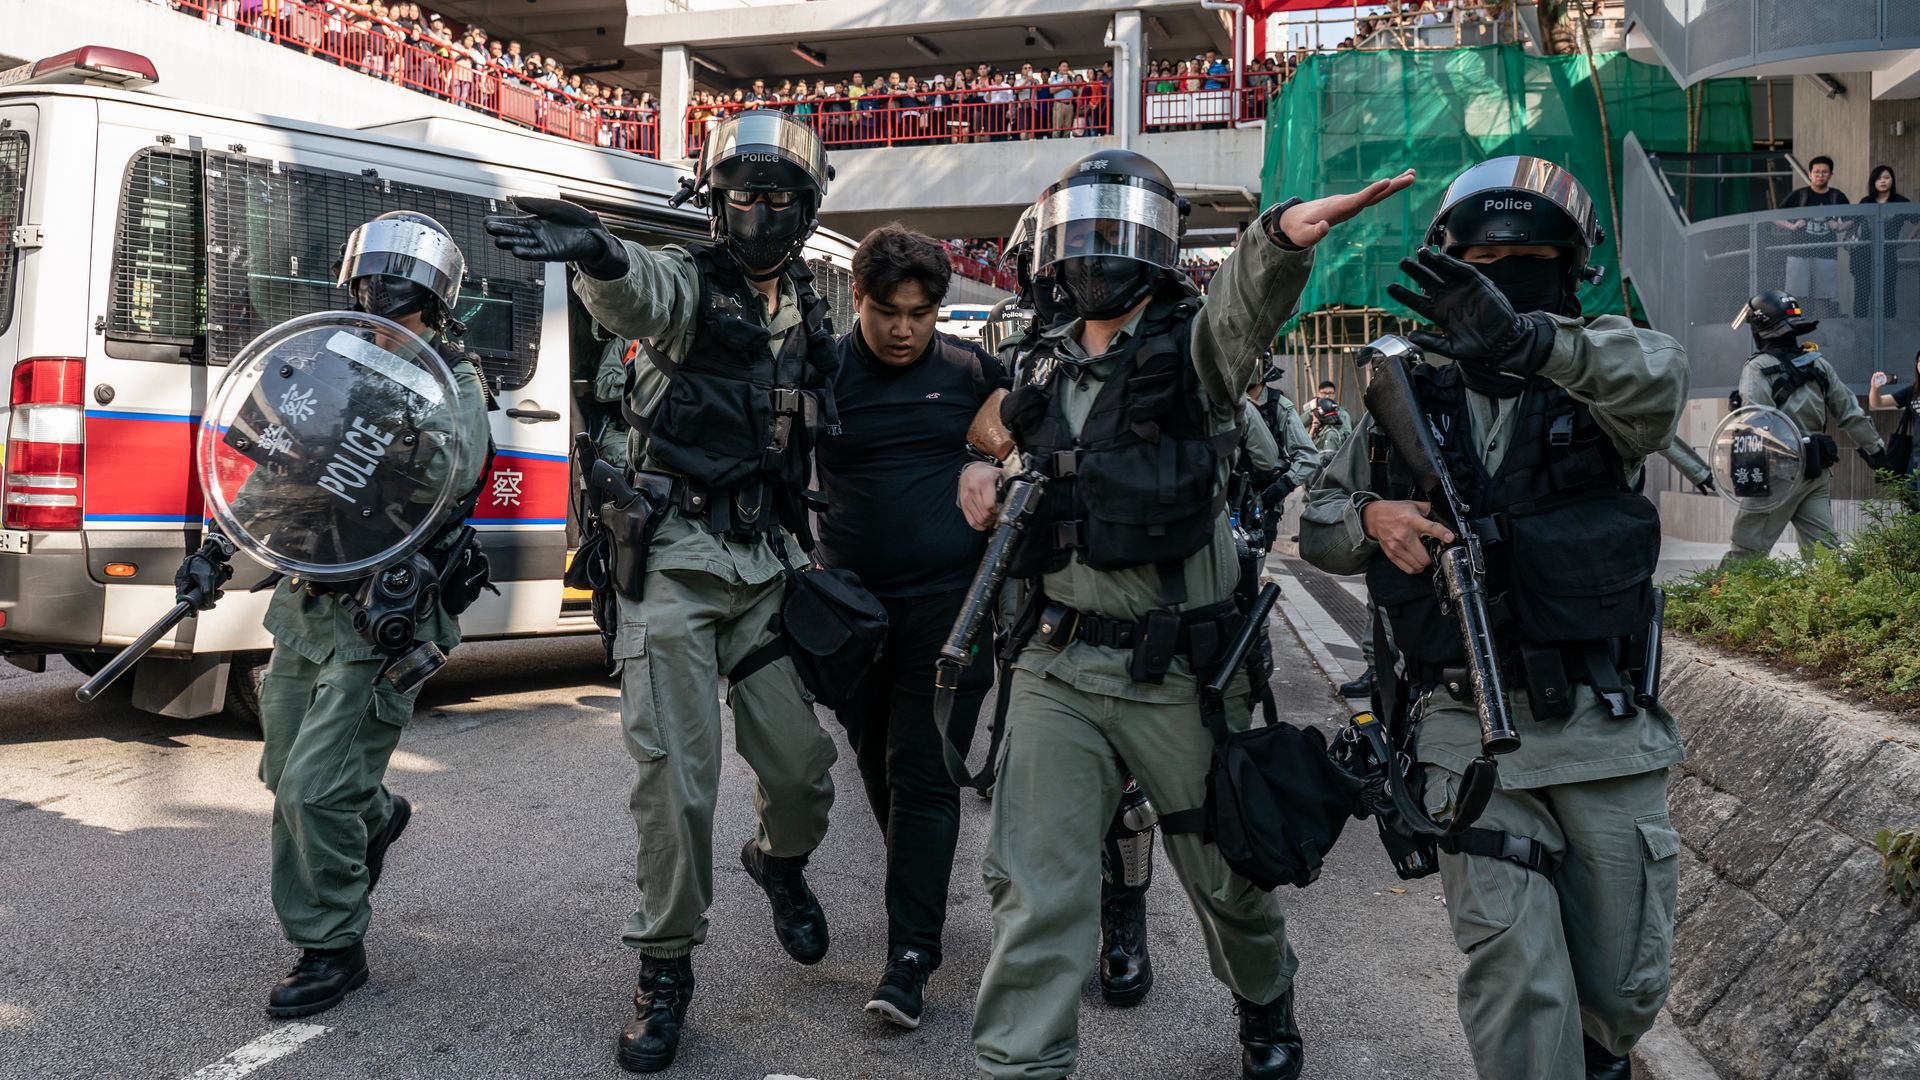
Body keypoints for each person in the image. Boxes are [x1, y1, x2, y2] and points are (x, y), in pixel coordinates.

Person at [970, 147, 1413, 1080]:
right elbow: (997, 443)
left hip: (1179, 675)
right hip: (1057, 664)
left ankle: (1265, 1000)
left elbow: (1245, 307)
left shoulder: (1194, 352)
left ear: (1160, 251)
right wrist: (980, 470)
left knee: (1227, 884)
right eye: (1080, 233)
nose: (1095, 254)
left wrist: (1281, 237)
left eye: (1115, 234)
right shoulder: (1041, 365)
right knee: (1034, 894)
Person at [1301, 156, 1689, 1080]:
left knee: (1626, 985)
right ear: (1450, 267)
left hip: (1602, 730)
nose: (1503, 271)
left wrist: (1530, 343)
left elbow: (1663, 379)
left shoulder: (1606, 368)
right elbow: (1316, 517)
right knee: (1517, 979)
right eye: (1483, 258)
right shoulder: (1406, 392)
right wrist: (1369, 517)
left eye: (1529, 255)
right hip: (1464, 730)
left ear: (1571, 268)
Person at [484, 112, 841, 1074]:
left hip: (763, 567)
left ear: (804, 210)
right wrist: (600, 250)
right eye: (739, 194)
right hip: (675, 560)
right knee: (678, 784)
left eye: (775, 197)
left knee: (804, 771)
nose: (755, 213)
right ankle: (666, 966)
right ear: (714, 202)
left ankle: (780, 862)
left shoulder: (812, 306)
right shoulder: (691, 283)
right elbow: (637, 292)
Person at [172, 211, 492, 1019]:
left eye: (394, 275)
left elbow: (452, 474)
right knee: (286, 776)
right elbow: (274, 467)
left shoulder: (451, 381)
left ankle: (332, 946)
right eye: (368, 272)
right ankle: (377, 815)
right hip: (307, 601)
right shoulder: (328, 358)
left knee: (315, 790)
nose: (377, 288)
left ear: (430, 292)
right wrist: (217, 548)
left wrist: (375, 431)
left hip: (379, 615)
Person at [809, 224, 1008, 1030]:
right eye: (888, 311)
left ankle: (910, 959)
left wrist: (994, 457)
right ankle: (915, 901)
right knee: (880, 768)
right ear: (857, 299)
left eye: (921, 313)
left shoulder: (970, 371)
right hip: (851, 615)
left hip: (950, 609)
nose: (903, 329)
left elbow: (1033, 418)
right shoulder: (819, 370)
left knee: (924, 773)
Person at [1723, 290, 1888, 562]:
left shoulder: (1757, 368)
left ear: (1760, 330)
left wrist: (1741, 411)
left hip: (1776, 477)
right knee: (1826, 558)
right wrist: (1879, 454)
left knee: (1746, 554)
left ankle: (1720, 604)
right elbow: (1850, 414)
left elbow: (1759, 425)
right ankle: (1833, 603)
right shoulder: (1818, 363)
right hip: (1815, 473)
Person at [1778, 155, 1851, 317]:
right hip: (1798, 252)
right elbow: (1775, 217)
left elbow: (1853, 218)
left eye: (1825, 172)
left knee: (1823, 297)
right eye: (1816, 172)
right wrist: (1792, 226)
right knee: (1796, 296)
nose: (1820, 175)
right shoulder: (1799, 195)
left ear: (1831, 174)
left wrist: (1839, 227)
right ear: (1810, 174)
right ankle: (1798, 328)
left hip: (1826, 253)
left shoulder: (1836, 196)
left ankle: (1822, 331)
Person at [1852, 164, 1911, 317]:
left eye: (1886, 177)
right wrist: (1840, 226)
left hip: (1888, 252)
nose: (1883, 181)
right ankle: (1861, 329)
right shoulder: (1866, 201)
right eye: (1878, 178)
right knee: (1862, 291)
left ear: (1892, 180)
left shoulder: (1900, 202)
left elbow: (1917, 219)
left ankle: (1889, 330)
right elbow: (1854, 222)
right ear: (1873, 182)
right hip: (1863, 253)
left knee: (1888, 291)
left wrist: (1908, 240)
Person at [1303, 379, 1352, 463]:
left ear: (1334, 394)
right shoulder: (1313, 411)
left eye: (1330, 393)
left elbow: (1348, 435)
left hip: (1333, 451)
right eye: (1324, 393)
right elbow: (1298, 425)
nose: (1327, 396)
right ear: (1318, 393)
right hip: (1314, 450)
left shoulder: (1342, 413)